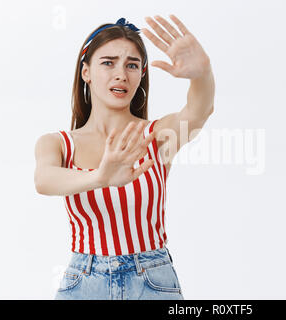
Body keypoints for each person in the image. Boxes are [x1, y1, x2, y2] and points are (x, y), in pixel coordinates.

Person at [34, 15, 215, 300]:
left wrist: (203, 75)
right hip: (84, 282)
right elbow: (44, 180)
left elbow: (198, 111)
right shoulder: (58, 143)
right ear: (86, 72)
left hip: (153, 280)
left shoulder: (157, 135)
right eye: (108, 62)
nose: (121, 74)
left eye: (132, 65)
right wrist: (101, 177)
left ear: (141, 74)